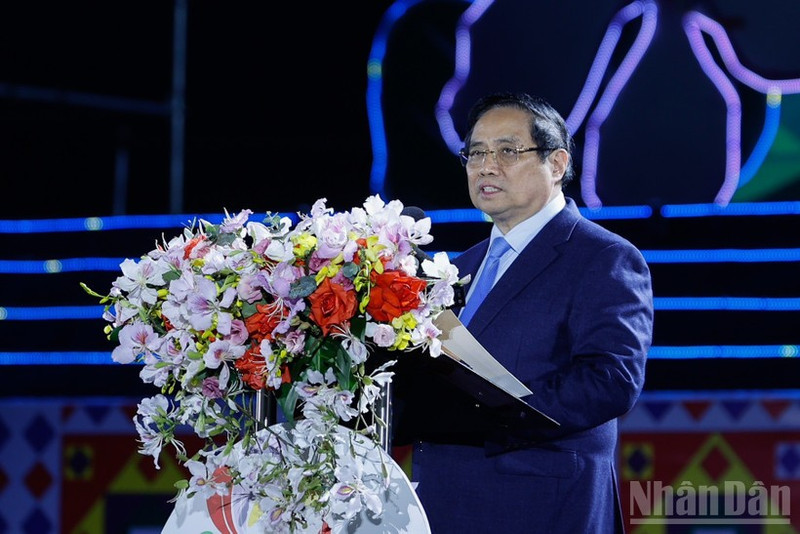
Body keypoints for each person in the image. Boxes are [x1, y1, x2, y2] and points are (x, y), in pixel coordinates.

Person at [393, 92, 654, 533]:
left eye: (508, 151)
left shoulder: (603, 257)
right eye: (476, 153)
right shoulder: (459, 268)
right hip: (441, 501)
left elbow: (611, 380)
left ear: (556, 164)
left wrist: (493, 413)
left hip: (541, 504)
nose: (486, 166)